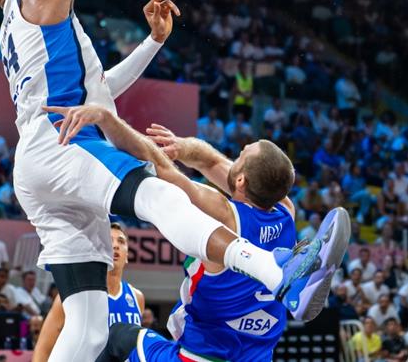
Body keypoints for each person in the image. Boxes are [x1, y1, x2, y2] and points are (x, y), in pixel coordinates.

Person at [0, 0, 340, 359]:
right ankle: (279, 275)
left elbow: (100, 89)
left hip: (38, 165)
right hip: (63, 145)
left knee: (89, 330)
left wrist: (151, 41)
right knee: (159, 194)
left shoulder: (24, 26)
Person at [94, 118, 347, 362]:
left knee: (119, 335)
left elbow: (159, 167)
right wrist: (182, 147)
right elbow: (212, 161)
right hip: (256, 357)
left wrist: (106, 121)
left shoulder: (224, 215)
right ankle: (303, 273)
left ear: (241, 180)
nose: (237, 154)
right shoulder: (286, 212)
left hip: (201, 356)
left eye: (242, 154)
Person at [34, 223, 146, 361]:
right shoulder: (74, 294)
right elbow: (43, 348)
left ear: (127, 255)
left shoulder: (137, 297)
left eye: (121, 241)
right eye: (109, 240)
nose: (116, 245)